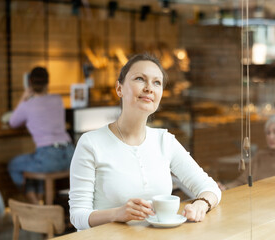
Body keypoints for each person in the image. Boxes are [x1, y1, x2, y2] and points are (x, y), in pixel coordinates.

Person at [69, 53, 221, 230]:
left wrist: (200, 205)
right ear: (119, 89)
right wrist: (117, 213)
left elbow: (210, 188)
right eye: (140, 79)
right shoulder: (90, 143)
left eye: (157, 82)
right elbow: (77, 216)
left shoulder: (164, 140)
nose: (149, 88)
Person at [8, 67, 74, 204]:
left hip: (48, 158)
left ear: (29, 82)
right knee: (33, 164)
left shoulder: (27, 105)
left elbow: (12, 122)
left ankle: (37, 207)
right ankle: (39, 205)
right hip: (70, 154)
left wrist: (24, 97)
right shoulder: (57, 99)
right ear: (47, 83)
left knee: (14, 165)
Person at [217, 114, 275, 191]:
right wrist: (224, 188)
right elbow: (241, 182)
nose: (270, 136)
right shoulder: (260, 156)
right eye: (268, 133)